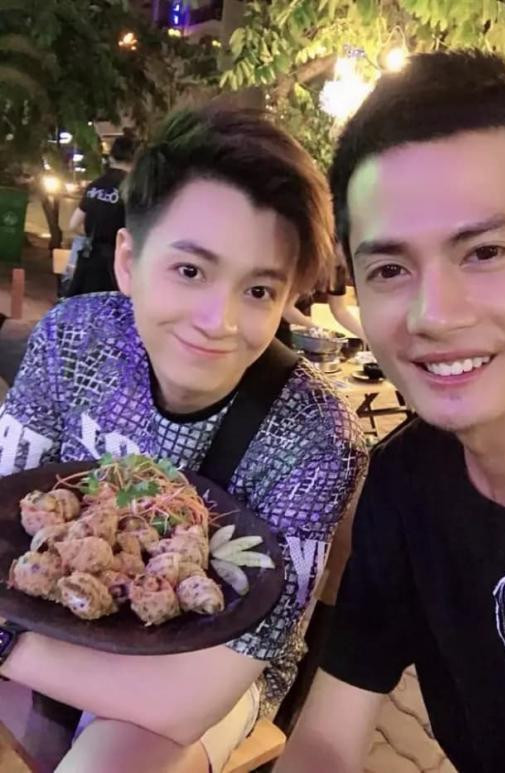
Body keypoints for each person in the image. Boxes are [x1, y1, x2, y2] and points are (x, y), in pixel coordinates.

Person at [0, 108, 367, 772]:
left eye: (259, 289)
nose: (217, 321)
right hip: (52, 615)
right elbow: (6, 520)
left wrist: (9, 649)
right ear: (128, 260)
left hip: (201, 669)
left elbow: (189, 702)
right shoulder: (73, 339)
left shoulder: (314, 433)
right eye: (191, 271)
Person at [276, 50, 505, 773]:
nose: (433, 314)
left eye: (485, 252)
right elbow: (326, 739)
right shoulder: (405, 485)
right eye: (389, 269)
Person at [67, 134, 136, 295]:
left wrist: (94, 233)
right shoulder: (133, 190)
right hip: (115, 269)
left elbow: (73, 224)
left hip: (89, 261)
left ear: (111, 157)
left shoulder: (95, 185)